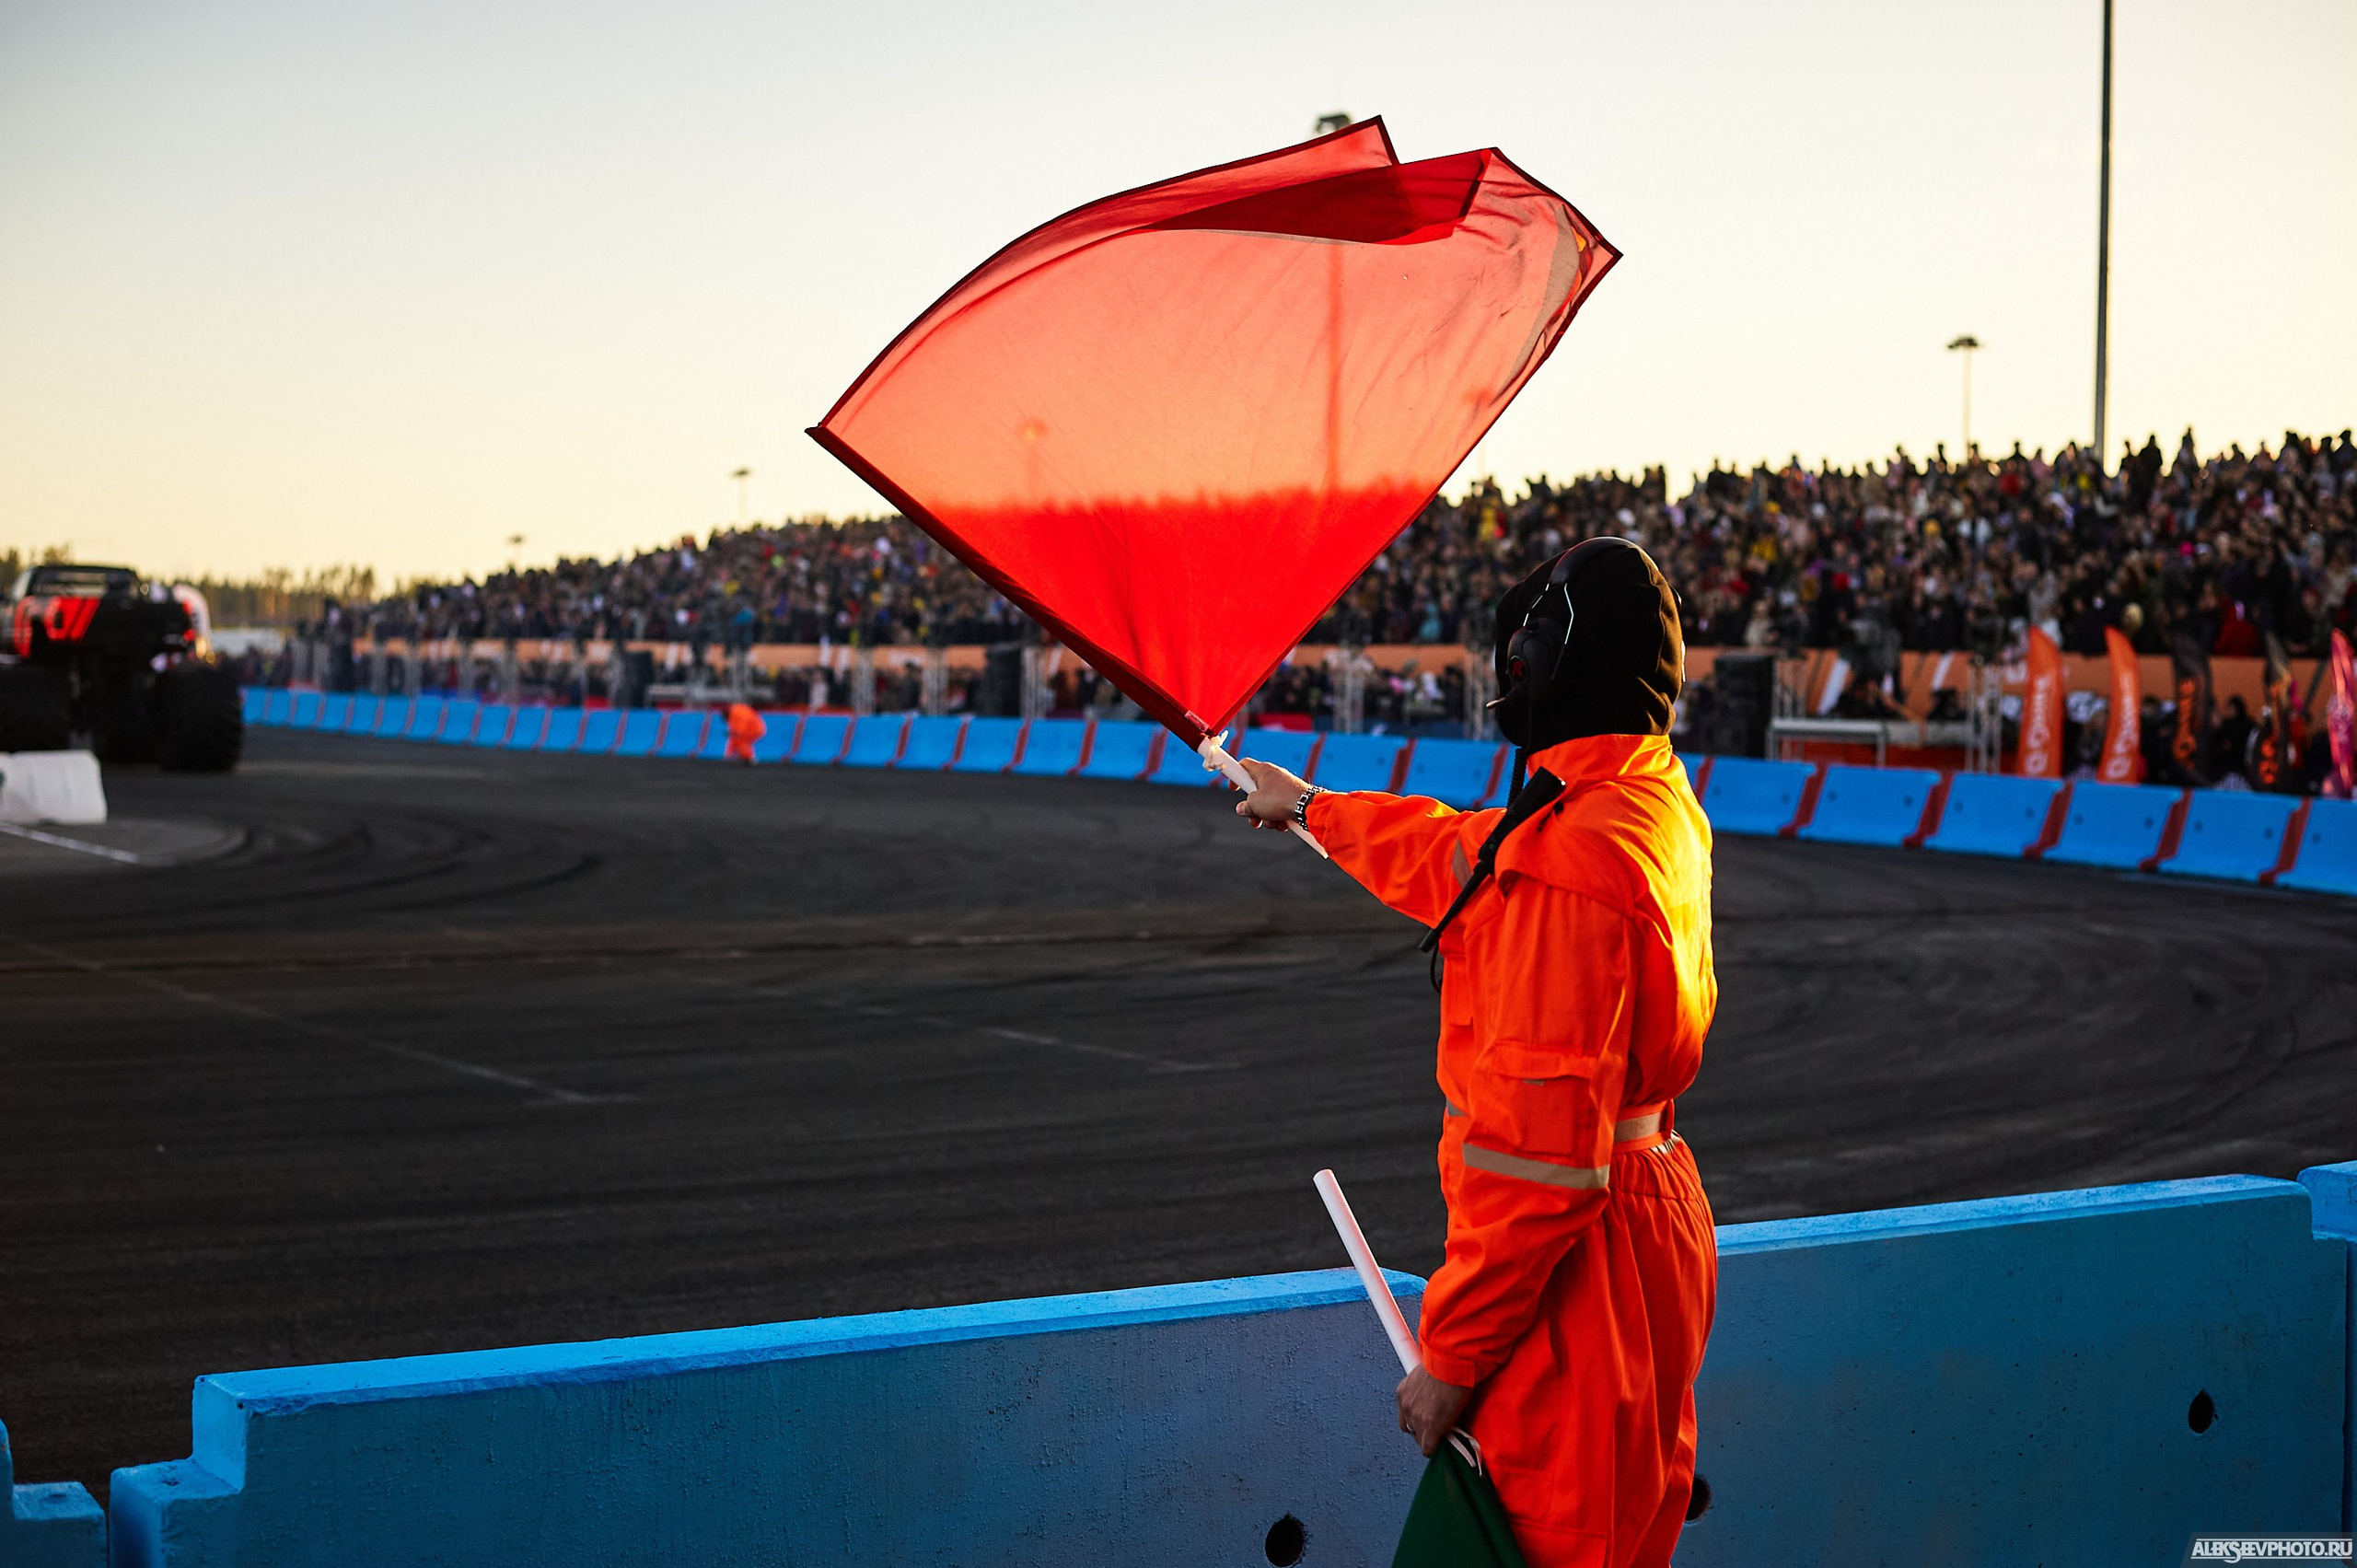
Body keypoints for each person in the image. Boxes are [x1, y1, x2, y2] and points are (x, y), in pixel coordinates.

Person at [1234, 539, 1718, 1568]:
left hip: (1576, 1281)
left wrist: (1452, 1354)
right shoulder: (1642, 799)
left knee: (1550, 1538)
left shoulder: (1567, 863)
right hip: (1653, 1222)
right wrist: (1314, 809)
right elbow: (1458, 852)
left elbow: (1538, 1164)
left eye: (1523, 646)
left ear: (1552, 666)